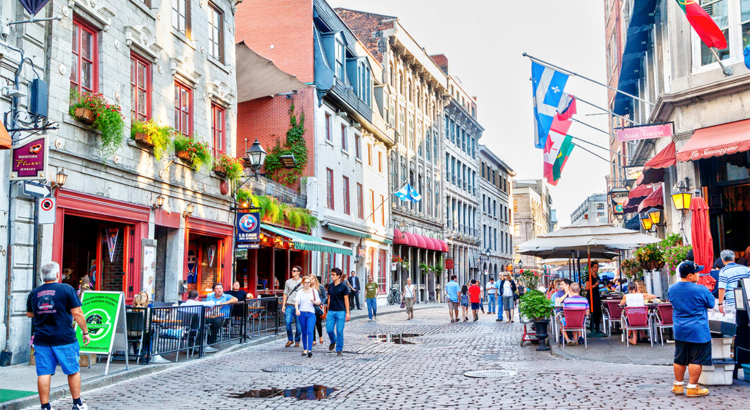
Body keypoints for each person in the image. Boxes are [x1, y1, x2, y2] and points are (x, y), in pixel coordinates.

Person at [26, 262, 91, 410]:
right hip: (64, 338)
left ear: (43, 277)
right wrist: (85, 332)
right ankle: (77, 404)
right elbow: (77, 313)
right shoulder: (66, 289)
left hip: (42, 338)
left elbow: (29, 314)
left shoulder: (34, 292)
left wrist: (45, 310)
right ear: (57, 275)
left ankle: (45, 406)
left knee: (44, 372)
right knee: (73, 370)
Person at [668, 261, 714, 397]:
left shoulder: (672, 288)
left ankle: (678, 385)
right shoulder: (701, 289)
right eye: (696, 272)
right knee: (696, 359)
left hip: (680, 328)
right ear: (689, 275)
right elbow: (711, 304)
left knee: (680, 357)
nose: (698, 275)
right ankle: (692, 387)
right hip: (698, 329)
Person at [716, 249, 750, 378]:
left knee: (734, 330)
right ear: (734, 258)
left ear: (722, 260)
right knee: (745, 328)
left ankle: (734, 355)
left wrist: (720, 304)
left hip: (732, 303)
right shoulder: (745, 269)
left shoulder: (724, 271)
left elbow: (722, 288)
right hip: (746, 303)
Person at [295, 276, 322, 357]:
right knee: (304, 332)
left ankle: (310, 350)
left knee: (310, 331)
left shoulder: (314, 291)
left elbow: (319, 301)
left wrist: (315, 301)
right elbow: (296, 301)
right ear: (303, 283)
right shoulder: (299, 292)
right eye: (306, 282)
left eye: (308, 282)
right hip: (302, 313)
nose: (307, 284)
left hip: (311, 313)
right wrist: (297, 309)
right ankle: (305, 349)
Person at [326, 268, 350, 356]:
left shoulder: (344, 287)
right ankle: (333, 340)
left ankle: (339, 349)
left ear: (338, 276)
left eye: (333, 275)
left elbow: (346, 300)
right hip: (331, 311)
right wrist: (327, 311)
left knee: (339, 331)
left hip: (340, 311)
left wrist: (347, 313)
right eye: (331, 275)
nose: (332, 276)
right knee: (329, 330)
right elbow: (329, 298)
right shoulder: (330, 286)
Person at [282, 266, 303, 348]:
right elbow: (285, 293)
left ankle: (297, 340)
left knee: (299, 325)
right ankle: (290, 339)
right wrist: (283, 305)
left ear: (299, 272)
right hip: (290, 305)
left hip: (300, 306)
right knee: (287, 322)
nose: (292, 272)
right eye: (292, 270)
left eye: (294, 271)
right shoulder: (288, 282)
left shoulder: (302, 282)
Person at [309, 275, 327, 346]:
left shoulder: (320, 287)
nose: (311, 280)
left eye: (312, 279)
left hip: (317, 307)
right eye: (310, 279)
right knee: (312, 323)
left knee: (318, 323)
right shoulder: (308, 287)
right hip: (310, 307)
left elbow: (324, 297)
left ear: (315, 279)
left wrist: (321, 303)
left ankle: (320, 336)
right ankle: (313, 339)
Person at [588, 261, 603, 334]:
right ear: (591, 268)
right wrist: (595, 285)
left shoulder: (597, 276)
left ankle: (597, 328)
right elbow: (587, 287)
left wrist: (605, 286)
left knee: (598, 312)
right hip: (591, 295)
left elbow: (597, 287)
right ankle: (592, 327)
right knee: (593, 311)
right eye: (595, 267)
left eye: (597, 267)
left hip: (596, 295)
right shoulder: (589, 277)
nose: (596, 268)